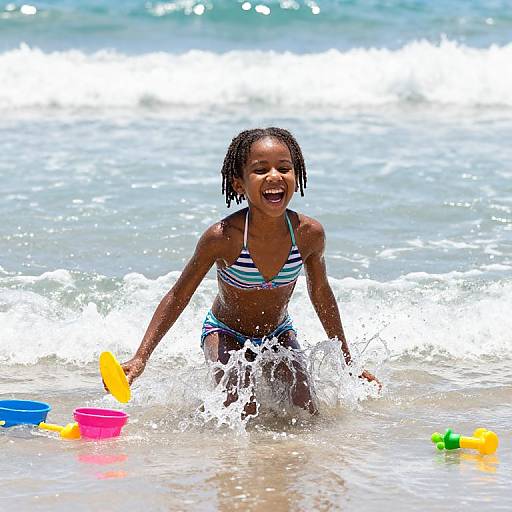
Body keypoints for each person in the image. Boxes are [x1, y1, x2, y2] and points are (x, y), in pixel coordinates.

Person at [121, 127, 380, 417]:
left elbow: (320, 293)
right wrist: (141, 358)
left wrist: (347, 361)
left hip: (278, 334)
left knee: (306, 411)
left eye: (284, 168)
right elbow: (178, 295)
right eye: (260, 169)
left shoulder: (308, 234)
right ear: (239, 184)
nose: (274, 176)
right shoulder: (222, 237)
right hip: (225, 331)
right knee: (241, 408)